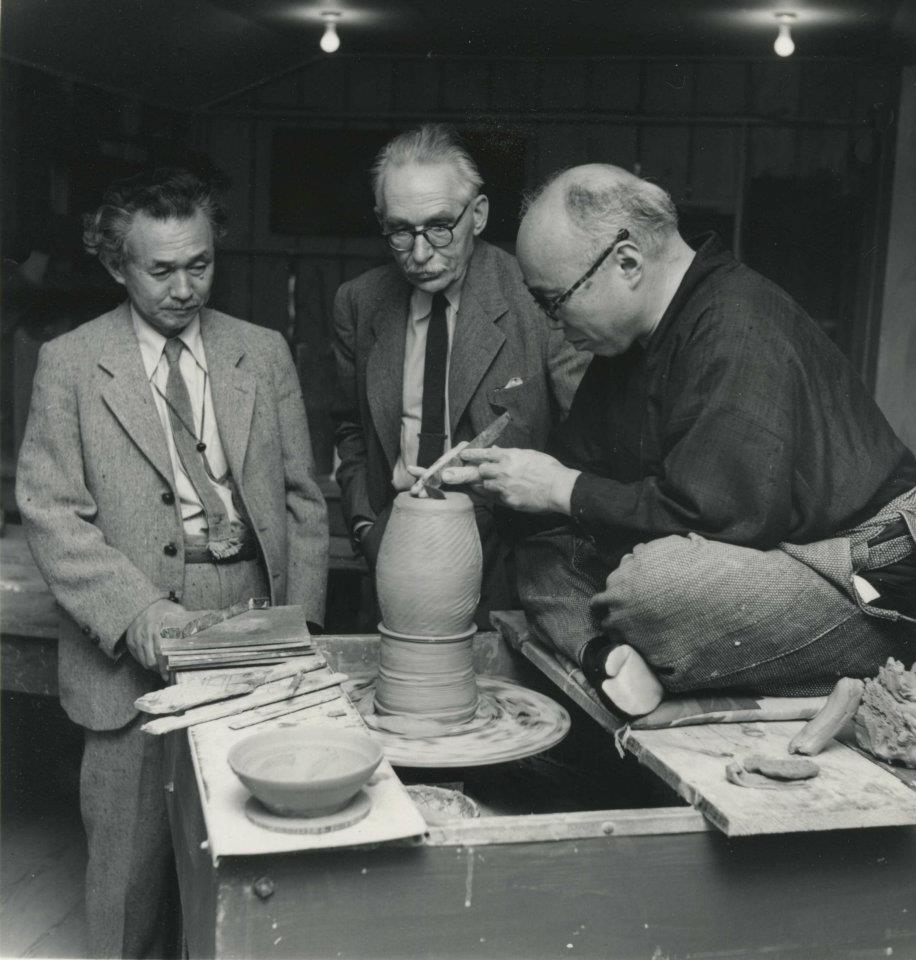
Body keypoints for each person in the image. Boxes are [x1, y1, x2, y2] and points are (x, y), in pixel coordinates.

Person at [442, 163, 916, 717]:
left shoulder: (737, 326)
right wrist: (507, 483)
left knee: (653, 588)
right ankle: (611, 657)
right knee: (543, 549)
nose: (552, 323)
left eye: (554, 300)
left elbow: (726, 524)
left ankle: (634, 647)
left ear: (626, 262)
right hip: (752, 556)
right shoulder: (627, 342)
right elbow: (581, 481)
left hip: (859, 568)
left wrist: (561, 488)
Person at [16, 167, 329, 958]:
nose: (185, 287)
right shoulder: (70, 363)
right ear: (117, 266)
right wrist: (141, 619)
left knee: (243, 858)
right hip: (126, 643)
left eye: (201, 264)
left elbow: (302, 501)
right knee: (127, 875)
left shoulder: (261, 352)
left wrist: (302, 629)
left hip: (253, 629)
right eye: (161, 270)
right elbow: (52, 512)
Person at [332, 124, 587, 624]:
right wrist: (365, 527)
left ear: (479, 215)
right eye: (401, 230)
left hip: (510, 567)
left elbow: (586, 438)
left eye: (440, 226)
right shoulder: (359, 302)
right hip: (394, 548)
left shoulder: (537, 297)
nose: (421, 253)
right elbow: (349, 429)